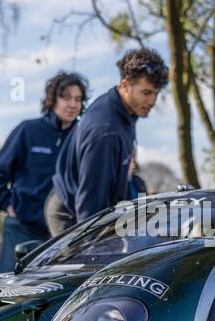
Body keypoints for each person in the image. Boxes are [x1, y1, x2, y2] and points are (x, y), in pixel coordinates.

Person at [46, 49, 168, 235]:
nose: (152, 101)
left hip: (99, 207)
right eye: (146, 93)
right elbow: (90, 208)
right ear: (125, 85)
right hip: (71, 215)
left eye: (155, 93)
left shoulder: (126, 113)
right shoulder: (105, 131)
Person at [0, 71, 87, 271]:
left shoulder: (83, 136)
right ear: (52, 99)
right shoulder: (28, 131)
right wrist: (9, 205)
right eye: (66, 98)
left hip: (63, 234)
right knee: (10, 291)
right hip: (21, 228)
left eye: (78, 99)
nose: (72, 105)